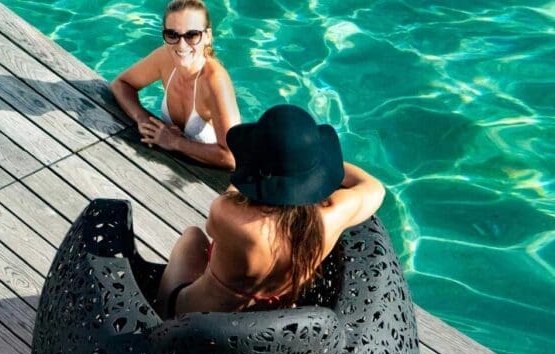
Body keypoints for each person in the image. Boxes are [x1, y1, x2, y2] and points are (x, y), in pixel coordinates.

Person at [155, 104, 385, 319]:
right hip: (267, 324)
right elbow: (375, 188)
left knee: (192, 236)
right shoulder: (332, 216)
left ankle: (159, 310)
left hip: (195, 320)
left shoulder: (229, 215)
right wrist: (315, 166)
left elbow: (217, 220)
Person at [111, 0, 240, 168]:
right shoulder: (165, 58)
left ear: (207, 37)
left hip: (212, 182)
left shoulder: (215, 82)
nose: (181, 45)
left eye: (192, 35)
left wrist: (175, 142)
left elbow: (233, 157)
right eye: (172, 34)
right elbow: (121, 84)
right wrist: (142, 119)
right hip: (167, 165)